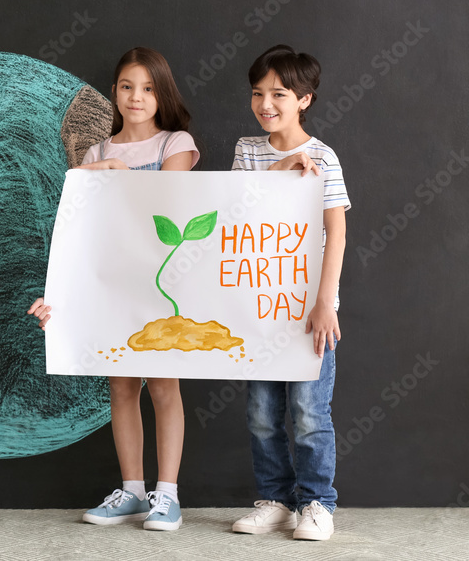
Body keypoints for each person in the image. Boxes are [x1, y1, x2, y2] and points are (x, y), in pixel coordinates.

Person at [29, 47, 199, 531]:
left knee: (164, 384)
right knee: (121, 386)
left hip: (162, 281)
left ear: (161, 93)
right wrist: (59, 291)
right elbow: (79, 228)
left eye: (147, 88)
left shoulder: (176, 143)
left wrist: (118, 177)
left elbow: (168, 206)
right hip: (112, 283)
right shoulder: (97, 152)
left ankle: (168, 494)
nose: (136, 97)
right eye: (127, 86)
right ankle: (132, 491)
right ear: (114, 93)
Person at [229, 45, 350, 541]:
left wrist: (325, 302)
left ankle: (317, 503)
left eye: (278, 94)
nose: (266, 104)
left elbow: (335, 232)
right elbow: (233, 212)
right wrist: (277, 173)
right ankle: (274, 499)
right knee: (261, 414)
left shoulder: (323, 155)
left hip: (306, 308)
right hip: (259, 306)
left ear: (304, 99)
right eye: (258, 93)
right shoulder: (247, 150)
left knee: (308, 411)